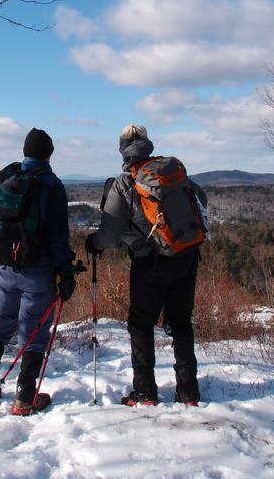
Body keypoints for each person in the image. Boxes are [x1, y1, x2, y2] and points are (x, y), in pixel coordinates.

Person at [85, 124, 207, 407]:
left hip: (149, 264)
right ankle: (188, 392)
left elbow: (109, 234)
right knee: (181, 324)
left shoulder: (124, 183)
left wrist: (93, 244)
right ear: (147, 143)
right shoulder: (172, 171)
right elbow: (200, 200)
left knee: (141, 325)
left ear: (122, 148)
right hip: (186, 257)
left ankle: (145, 392)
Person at [0, 127, 77, 415]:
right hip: (37, 269)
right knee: (33, 328)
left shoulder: (9, 178)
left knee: (0, 320)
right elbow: (58, 236)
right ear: (49, 154)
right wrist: (66, 273)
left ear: (25, 151)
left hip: (4, 264)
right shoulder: (51, 185)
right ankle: (25, 396)